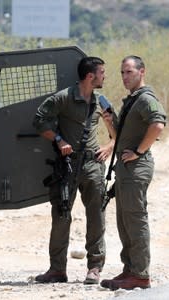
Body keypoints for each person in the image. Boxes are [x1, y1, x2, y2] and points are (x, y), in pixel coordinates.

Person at [32, 56, 116, 284]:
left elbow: (117, 132)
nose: (104, 76)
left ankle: (95, 269)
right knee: (61, 216)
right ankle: (57, 270)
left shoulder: (101, 101)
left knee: (96, 216)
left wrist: (109, 146)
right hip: (68, 165)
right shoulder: (64, 98)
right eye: (102, 73)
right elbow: (39, 121)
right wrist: (59, 139)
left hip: (93, 166)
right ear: (91, 76)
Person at [100, 55, 166, 290]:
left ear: (142, 72)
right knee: (124, 221)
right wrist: (109, 122)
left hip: (137, 167)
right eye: (122, 73)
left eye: (129, 72)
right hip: (125, 168)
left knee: (135, 220)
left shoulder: (146, 99)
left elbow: (158, 124)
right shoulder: (132, 100)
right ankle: (129, 269)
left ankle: (140, 274)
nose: (125, 77)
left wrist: (139, 151)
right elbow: (119, 138)